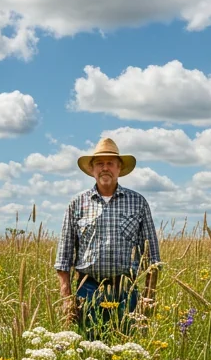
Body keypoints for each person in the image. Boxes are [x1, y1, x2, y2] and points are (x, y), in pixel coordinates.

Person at [54, 137, 161, 337]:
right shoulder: (77, 204)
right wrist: (67, 299)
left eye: (110, 163)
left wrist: (148, 296)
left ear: (119, 168)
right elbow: (63, 259)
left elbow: (153, 259)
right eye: (100, 163)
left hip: (126, 291)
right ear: (92, 169)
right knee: (89, 350)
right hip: (88, 290)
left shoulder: (138, 202)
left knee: (126, 352)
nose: (105, 168)